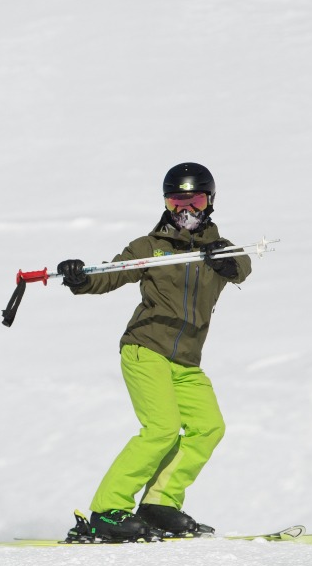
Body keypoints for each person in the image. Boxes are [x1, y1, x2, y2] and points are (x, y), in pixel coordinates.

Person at [56, 163, 252, 542]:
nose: (185, 211)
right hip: (145, 349)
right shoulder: (150, 247)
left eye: (193, 201)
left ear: (209, 202)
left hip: (187, 361)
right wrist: (80, 277)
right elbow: (111, 274)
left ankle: (159, 503)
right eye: (176, 201)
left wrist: (224, 261)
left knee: (209, 427)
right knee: (161, 429)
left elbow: (241, 266)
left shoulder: (219, 250)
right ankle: (106, 512)